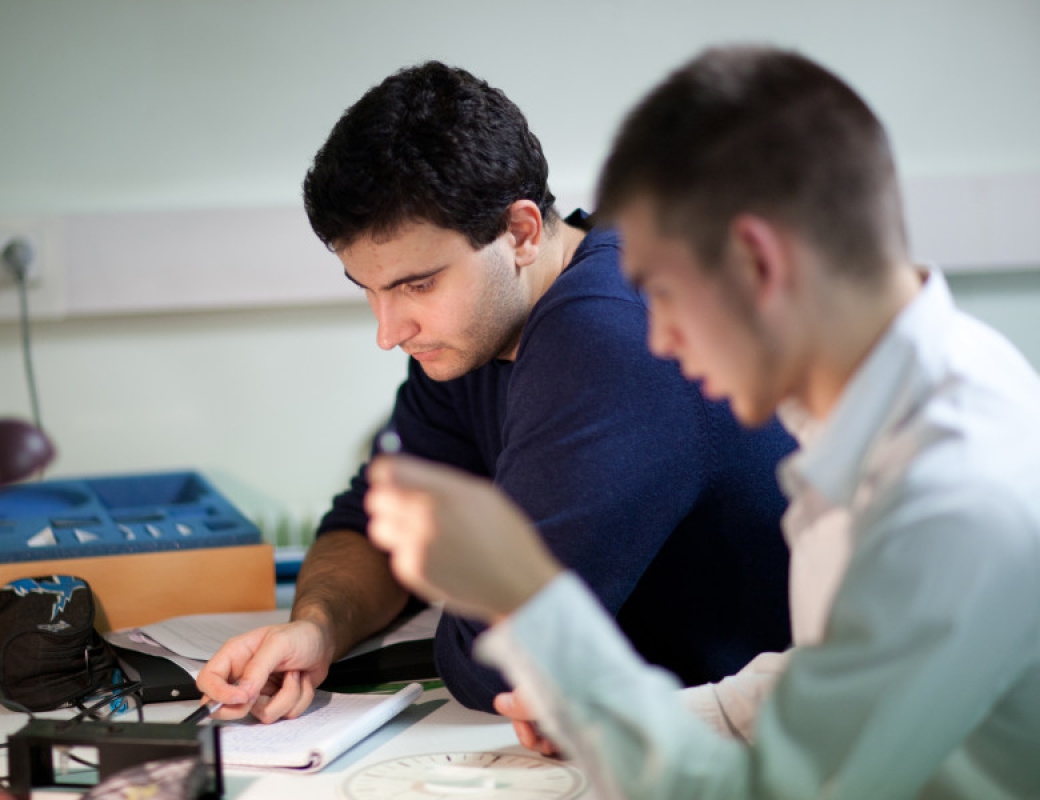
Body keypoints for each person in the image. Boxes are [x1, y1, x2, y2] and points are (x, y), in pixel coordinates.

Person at [364, 46, 1040, 798]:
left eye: (662, 294)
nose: (658, 340)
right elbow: (830, 676)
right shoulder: (926, 386)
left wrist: (524, 592)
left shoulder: (950, 496)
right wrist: (609, 711)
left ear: (757, 263)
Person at [197, 61, 797, 727]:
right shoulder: (468, 343)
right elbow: (370, 524)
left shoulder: (612, 332)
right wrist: (318, 626)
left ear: (521, 233)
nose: (389, 332)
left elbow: (495, 660)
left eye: (417, 285)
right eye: (369, 290)